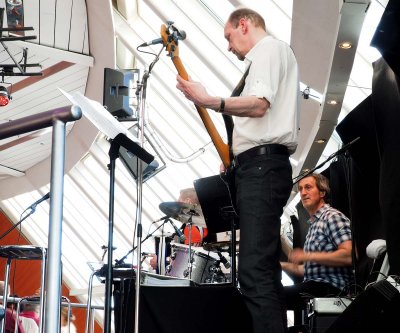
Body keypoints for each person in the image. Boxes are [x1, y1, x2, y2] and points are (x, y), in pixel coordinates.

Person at [176, 7, 299, 332]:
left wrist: (211, 100)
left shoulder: (269, 50)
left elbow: (260, 103)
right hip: (255, 167)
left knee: (255, 273)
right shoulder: (264, 58)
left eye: (229, 36)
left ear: (244, 24)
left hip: (263, 169)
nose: (228, 46)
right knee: (264, 272)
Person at [281, 173, 354, 327]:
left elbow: (349, 255)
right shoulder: (314, 225)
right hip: (316, 285)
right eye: (300, 189)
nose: (303, 193)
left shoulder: (332, 216)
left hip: (331, 289)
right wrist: (282, 265)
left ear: (322, 193)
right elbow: (308, 270)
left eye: (308, 187)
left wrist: (307, 255)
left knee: (271, 298)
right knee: (271, 296)